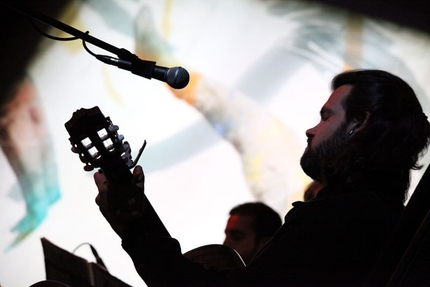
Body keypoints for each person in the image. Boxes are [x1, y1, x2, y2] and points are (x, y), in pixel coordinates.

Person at [94, 69, 430, 286]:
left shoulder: (338, 218)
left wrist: (134, 228)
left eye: (326, 116)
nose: (311, 130)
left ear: (359, 124)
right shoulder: (385, 220)